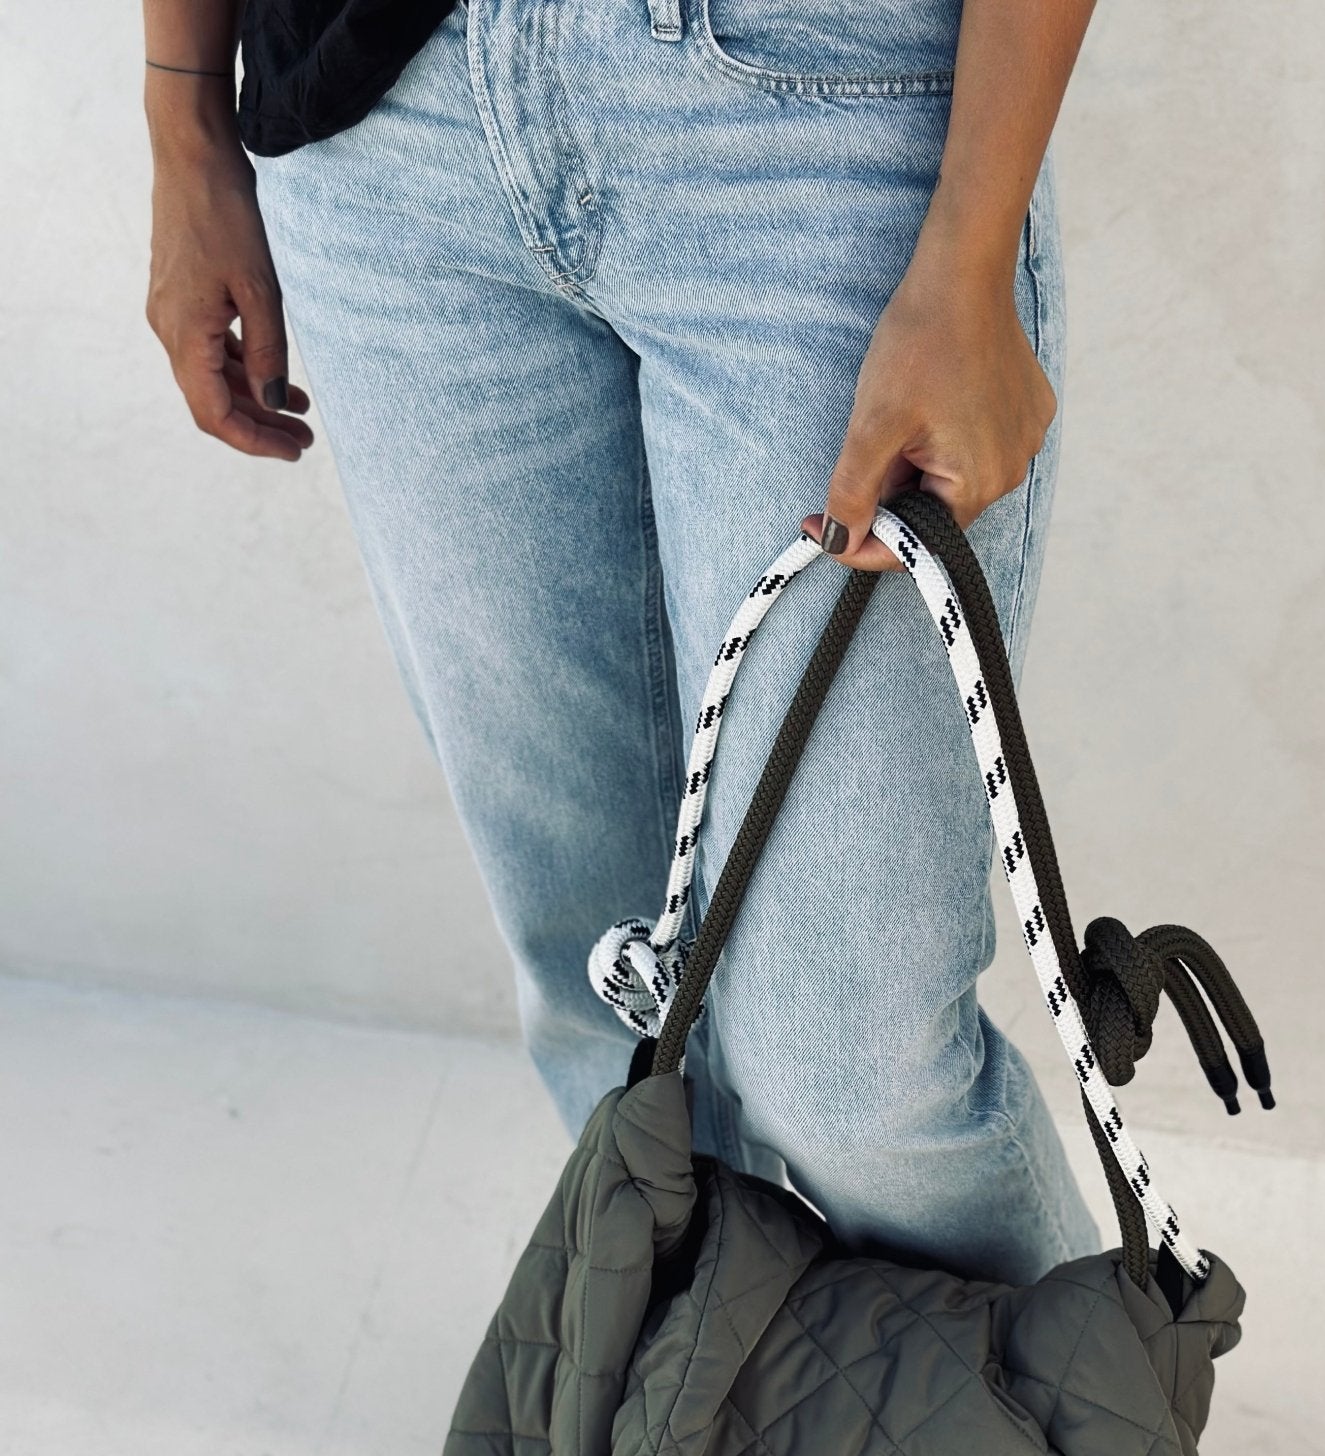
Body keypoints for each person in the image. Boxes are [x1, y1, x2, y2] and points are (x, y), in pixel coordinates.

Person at [142, 0, 1102, 1286]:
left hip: (807, 102)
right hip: (383, 130)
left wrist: (976, 248)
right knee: (606, 997)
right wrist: (182, 122)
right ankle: (700, 1454)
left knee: (854, 1065)